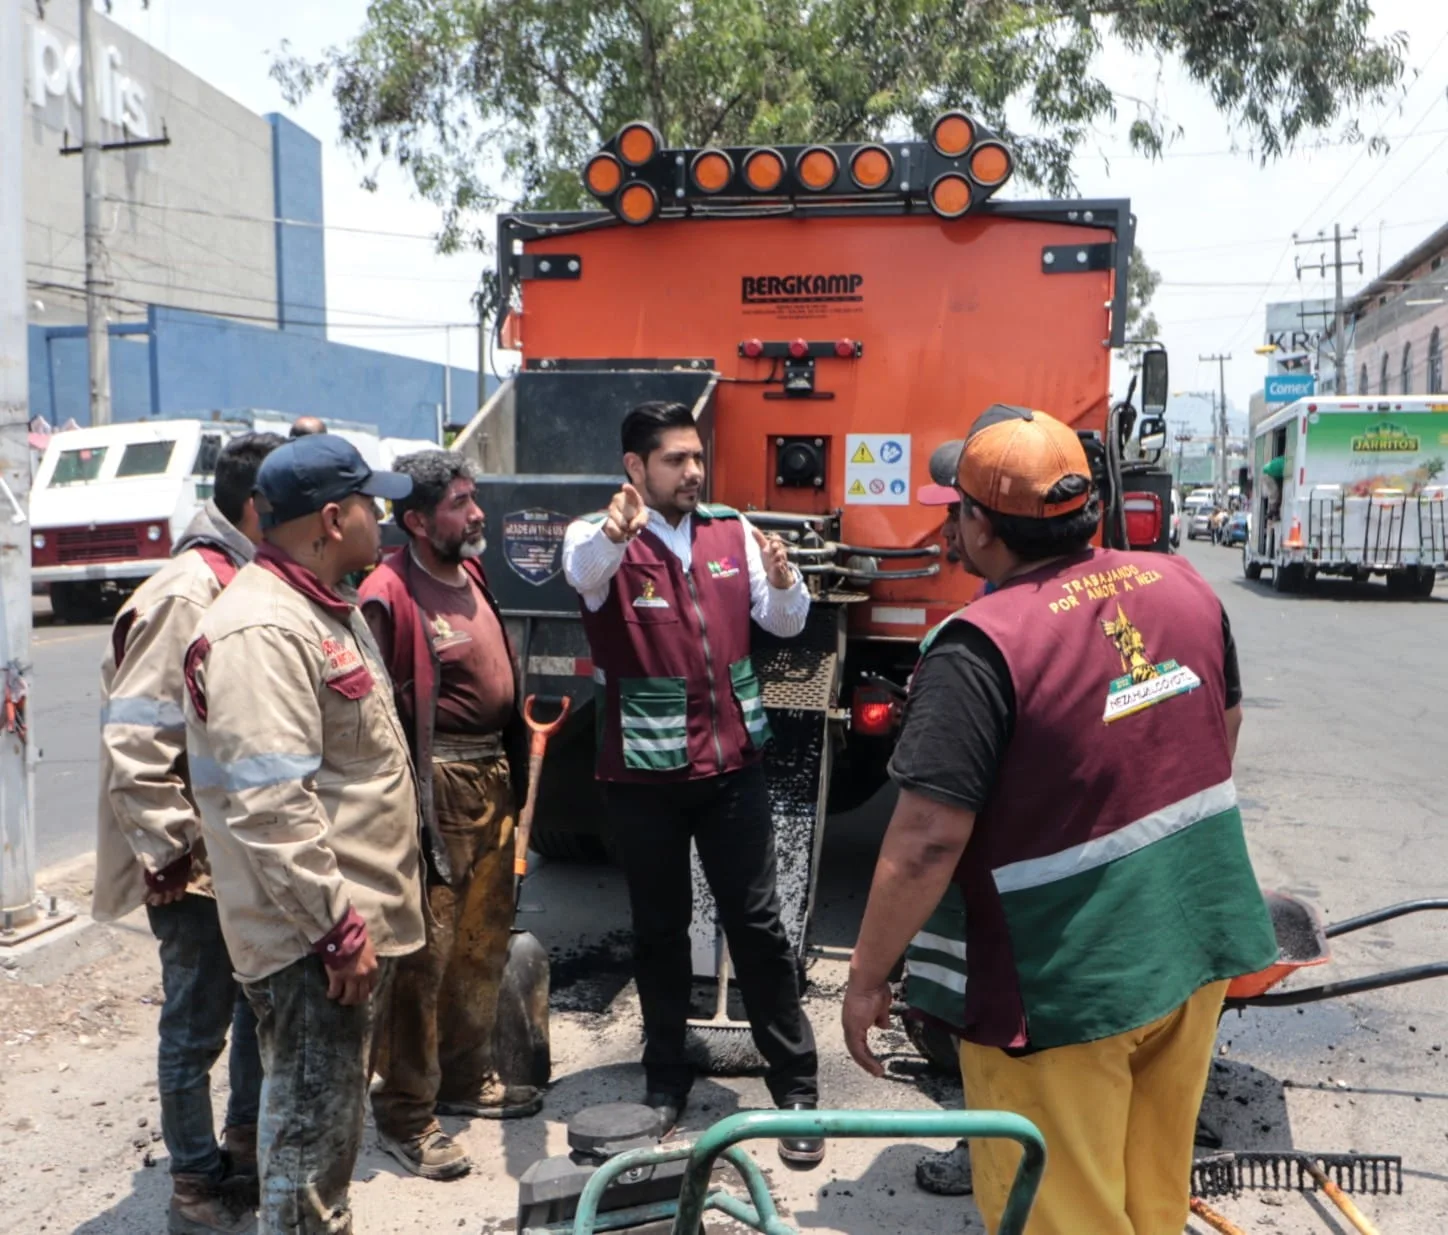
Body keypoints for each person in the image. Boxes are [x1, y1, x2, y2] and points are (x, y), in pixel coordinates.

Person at [842, 404, 1277, 1235]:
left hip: (1065, 992)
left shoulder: (976, 648)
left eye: (957, 509)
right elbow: (1220, 733)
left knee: (1063, 1217)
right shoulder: (1182, 584)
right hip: (1195, 949)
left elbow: (927, 839)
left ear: (979, 523)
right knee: (1151, 1198)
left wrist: (867, 978)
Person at [560, 400, 824, 1168]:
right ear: (635, 468)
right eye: (676, 459)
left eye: (697, 457)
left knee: (758, 928)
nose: (693, 471)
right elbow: (583, 576)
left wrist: (780, 583)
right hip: (643, 773)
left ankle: (797, 1086)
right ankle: (665, 1078)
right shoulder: (597, 536)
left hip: (733, 764)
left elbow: (782, 622)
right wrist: (616, 529)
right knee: (659, 930)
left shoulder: (729, 531)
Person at [184, 434, 424, 1234]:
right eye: (371, 503)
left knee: (323, 1144)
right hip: (310, 944)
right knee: (306, 1159)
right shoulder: (262, 628)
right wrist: (337, 926)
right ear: (331, 517)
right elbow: (271, 806)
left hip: (331, 934)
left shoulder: (322, 603)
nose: (383, 517)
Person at [95, 432, 284, 1235]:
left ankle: (241, 1141)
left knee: (251, 1002)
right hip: (192, 861)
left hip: (234, 851)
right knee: (195, 1022)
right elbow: (135, 739)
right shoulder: (186, 594)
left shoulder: (236, 578)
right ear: (257, 508)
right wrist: (172, 848)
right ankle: (196, 1181)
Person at [361, 451, 541, 1181]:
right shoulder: (386, 592)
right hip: (433, 790)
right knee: (421, 959)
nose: (477, 514)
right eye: (461, 503)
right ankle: (406, 1112)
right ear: (414, 520)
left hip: (490, 779)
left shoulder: (469, 572)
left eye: (475, 498)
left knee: (480, 942)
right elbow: (373, 717)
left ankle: (466, 1077)